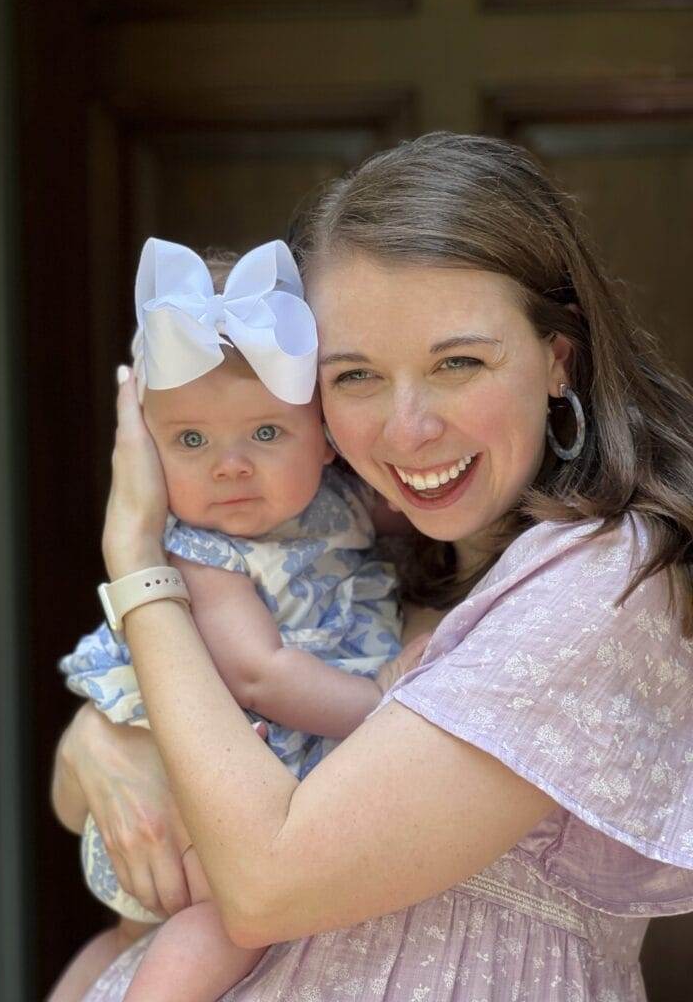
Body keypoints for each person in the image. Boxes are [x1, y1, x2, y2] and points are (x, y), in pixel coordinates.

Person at [52, 131, 693, 1002]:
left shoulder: (602, 579)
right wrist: (99, 737)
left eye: (458, 362)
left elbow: (266, 883)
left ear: (557, 357)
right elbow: (81, 800)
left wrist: (135, 561)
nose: (407, 429)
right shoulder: (356, 548)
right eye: (354, 377)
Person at [50, 237, 408, 1002]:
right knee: (224, 927)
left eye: (267, 432)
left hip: (252, 794)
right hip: (201, 805)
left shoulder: (343, 505)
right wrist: (394, 709)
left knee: (124, 942)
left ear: (326, 432)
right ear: (143, 449)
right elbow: (260, 673)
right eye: (190, 441)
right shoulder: (201, 554)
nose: (230, 465)